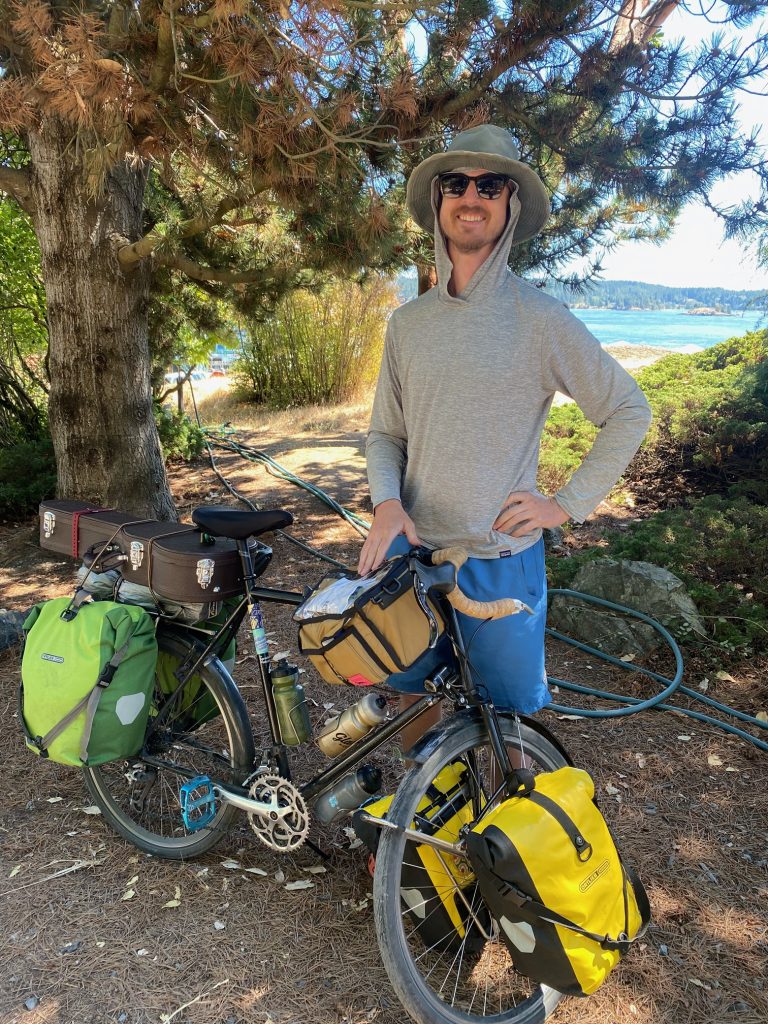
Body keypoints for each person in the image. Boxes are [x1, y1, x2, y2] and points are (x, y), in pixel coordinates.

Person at [358, 124, 652, 749]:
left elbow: (628, 408)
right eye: (456, 184)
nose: (472, 196)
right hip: (413, 561)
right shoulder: (407, 326)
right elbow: (385, 434)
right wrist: (386, 501)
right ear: (438, 203)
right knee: (413, 703)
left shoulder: (540, 319)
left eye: (489, 185)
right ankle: (420, 836)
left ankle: (496, 841)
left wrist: (566, 505)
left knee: (505, 734)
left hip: (501, 566)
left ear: (510, 205)